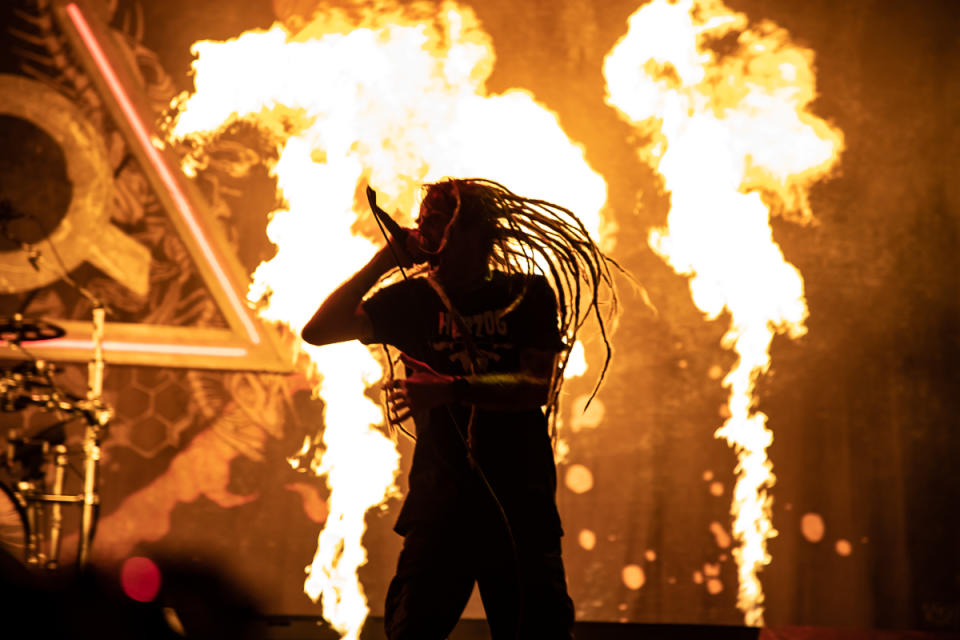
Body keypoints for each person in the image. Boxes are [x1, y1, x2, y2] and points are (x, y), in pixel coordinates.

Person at [301, 178, 618, 640]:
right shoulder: (412, 300)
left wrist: (451, 388)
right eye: (422, 222)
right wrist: (385, 260)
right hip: (440, 508)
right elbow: (319, 330)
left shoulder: (528, 294)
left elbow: (534, 387)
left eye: (436, 223)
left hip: (519, 509)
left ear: (476, 234)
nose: (422, 233)